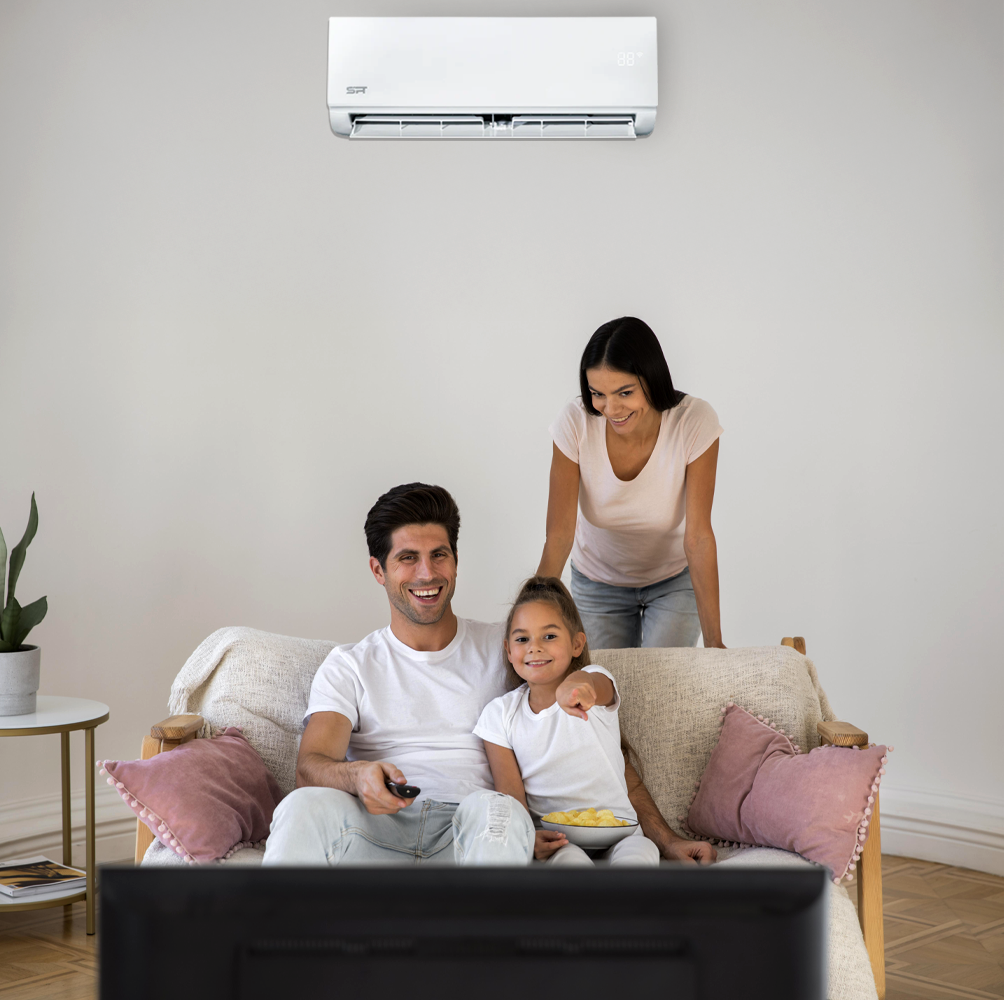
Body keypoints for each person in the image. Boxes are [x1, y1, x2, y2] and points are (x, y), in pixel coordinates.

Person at [263, 481, 713, 866]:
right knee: (303, 805)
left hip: (478, 828)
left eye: (439, 554)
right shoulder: (350, 665)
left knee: (496, 810)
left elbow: (600, 747)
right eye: (407, 558)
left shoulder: (515, 648)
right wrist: (356, 775)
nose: (427, 573)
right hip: (374, 828)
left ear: (456, 563)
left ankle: (481, 954)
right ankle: (271, 956)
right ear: (378, 570)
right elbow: (311, 767)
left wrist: (666, 838)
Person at [537, 316, 725, 650]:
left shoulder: (693, 421)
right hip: (597, 582)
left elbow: (698, 537)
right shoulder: (576, 422)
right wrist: (534, 614)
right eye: (598, 394)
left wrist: (715, 644)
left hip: (673, 582)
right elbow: (560, 535)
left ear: (651, 379)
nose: (611, 409)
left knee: (662, 685)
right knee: (606, 685)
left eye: (625, 392)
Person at [475, 576, 660, 867]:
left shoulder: (596, 684)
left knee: (640, 858)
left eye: (549, 636)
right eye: (522, 639)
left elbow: (593, 684)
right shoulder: (499, 715)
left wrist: (577, 686)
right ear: (509, 651)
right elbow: (511, 794)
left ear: (576, 644)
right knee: (570, 867)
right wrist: (528, 837)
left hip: (621, 832)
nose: (534, 647)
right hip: (559, 840)